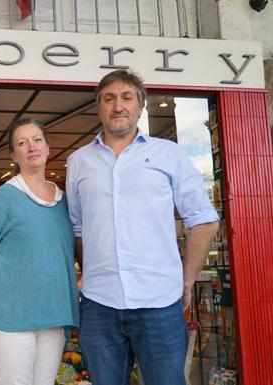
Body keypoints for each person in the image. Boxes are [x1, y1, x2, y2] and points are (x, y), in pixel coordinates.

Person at [65, 70, 219, 385]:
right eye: (109, 99)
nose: (118, 106)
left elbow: (204, 220)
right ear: (99, 108)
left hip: (159, 303)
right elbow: (77, 228)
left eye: (126, 97)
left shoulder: (168, 154)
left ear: (140, 107)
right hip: (99, 304)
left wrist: (186, 280)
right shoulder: (79, 161)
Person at [0, 118, 79, 385]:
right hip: (9, 318)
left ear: (49, 148)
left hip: (53, 315)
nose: (31, 147)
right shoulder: (6, 197)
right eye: (22, 142)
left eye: (37, 140)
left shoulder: (64, 201)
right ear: (13, 154)